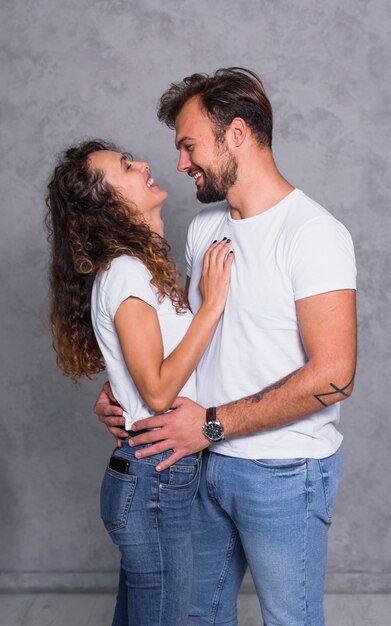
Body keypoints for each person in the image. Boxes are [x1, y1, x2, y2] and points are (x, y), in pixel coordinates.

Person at [95, 68, 357, 626]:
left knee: (291, 620)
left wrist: (212, 424)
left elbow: (336, 374)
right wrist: (124, 388)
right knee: (196, 618)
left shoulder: (312, 234)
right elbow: (186, 337)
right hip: (197, 462)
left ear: (235, 133)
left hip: (283, 472)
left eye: (189, 146)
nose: (181, 163)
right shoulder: (204, 227)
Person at [45, 139, 234, 626]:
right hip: (153, 478)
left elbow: (140, 384)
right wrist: (211, 307)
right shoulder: (128, 273)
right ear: (110, 204)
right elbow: (156, 392)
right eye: (127, 168)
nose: (145, 165)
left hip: (151, 476)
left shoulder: (137, 269)